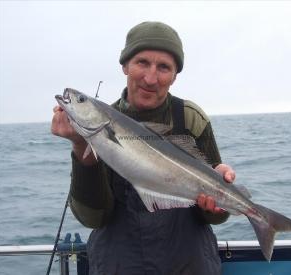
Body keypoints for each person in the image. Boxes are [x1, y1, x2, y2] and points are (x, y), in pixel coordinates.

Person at [51, 21, 236, 275]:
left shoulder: (191, 119)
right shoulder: (101, 125)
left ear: (174, 75)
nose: (151, 78)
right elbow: (94, 219)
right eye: (142, 63)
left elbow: (216, 216)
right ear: (125, 65)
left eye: (163, 67)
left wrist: (216, 203)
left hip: (189, 266)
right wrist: (80, 143)